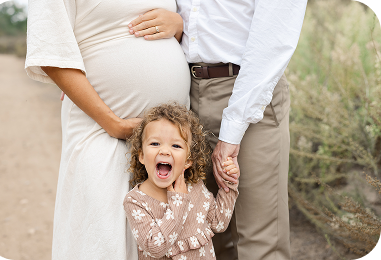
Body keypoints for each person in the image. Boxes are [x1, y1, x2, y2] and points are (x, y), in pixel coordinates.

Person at [128, 1, 308, 259]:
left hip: (249, 93)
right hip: (184, 92)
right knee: (202, 232)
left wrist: (232, 131)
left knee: (259, 239)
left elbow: (273, 41)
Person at [25, 0, 191, 259]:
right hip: (99, 129)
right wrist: (113, 123)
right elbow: (50, 49)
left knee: (169, 238)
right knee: (103, 237)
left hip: (169, 140)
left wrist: (180, 26)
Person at [123, 103, 239, 259]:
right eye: (155, 143)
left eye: (176, 145)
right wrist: (178, 202)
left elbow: (219, 222)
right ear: (142, 156)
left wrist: (229, 181)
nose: (164, 151)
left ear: (187, 161)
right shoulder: (136, 201)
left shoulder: (195, 187)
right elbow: (156, 248)